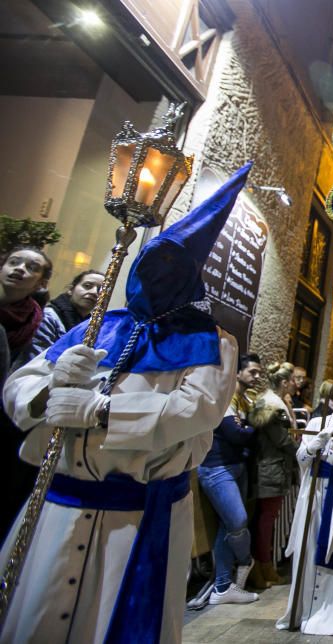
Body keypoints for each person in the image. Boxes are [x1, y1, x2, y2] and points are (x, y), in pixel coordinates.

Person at [0, 164, 249, 642]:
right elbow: (20, 384)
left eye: (171, 269)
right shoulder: (97, 326)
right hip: (59, 506)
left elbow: (197, 410)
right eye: (150, 266)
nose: (157, 278)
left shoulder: (212, 344)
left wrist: (99, 411)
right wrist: (50, 389)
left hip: (139, 514)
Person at [277, 381, 333, 635]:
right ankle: (302, 610)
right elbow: (302, 458)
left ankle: (330, 611)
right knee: (309, 546)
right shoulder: (317, 422)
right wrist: (317, 442)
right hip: (315, 492)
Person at [197, 353, 263, 605]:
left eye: (259, 372)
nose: (257, 377)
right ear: (237, 373)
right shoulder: (225, 396)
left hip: (237, 466)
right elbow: (237, 434)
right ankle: (246, 561)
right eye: (252, 372)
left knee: (228, 526)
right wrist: (256, 425)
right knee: (238, 520)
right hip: (217, 467)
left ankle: (223, 587)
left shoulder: (245, 400)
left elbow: (243, 436)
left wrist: (249, 431)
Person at [0, 246, 52, 538]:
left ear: (41, 282)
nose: (19, 269)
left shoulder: (42, 321)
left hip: (9, 421)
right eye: (14, 262)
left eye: (31, 267)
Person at [248, 362, 298, 585]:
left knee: (265, 519)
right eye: (293, 380)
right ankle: (262, 566)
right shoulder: (272, 406)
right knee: (265, 520)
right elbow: (282, 440)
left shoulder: (272, 402)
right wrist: (303, 451)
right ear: (285, 382)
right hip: (271, 467)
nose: (296, 384)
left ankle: (262, 566)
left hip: (272, 466)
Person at [23, 269, 104, 363]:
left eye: (101, 290)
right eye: (87, 286)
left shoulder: (91, 326)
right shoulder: (48, 317)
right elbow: (37, 361)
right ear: (70, 289)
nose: (94, 292)